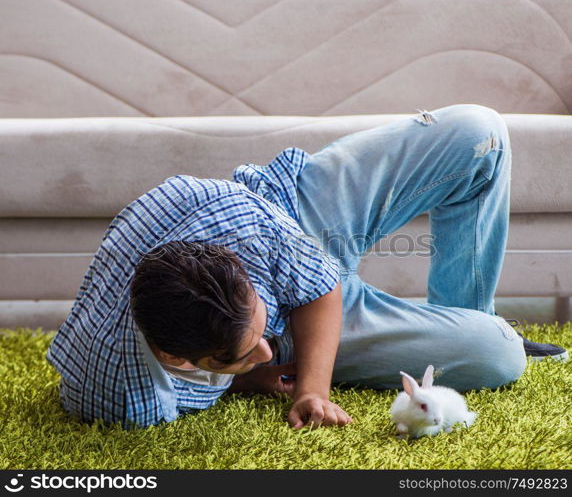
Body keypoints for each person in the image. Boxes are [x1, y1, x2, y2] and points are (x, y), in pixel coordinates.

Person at [46, 104, 568, 430]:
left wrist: (312, 388)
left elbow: (315, 287)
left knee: (481, 132)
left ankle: (461, 315)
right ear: (179, 360)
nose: (265, 351)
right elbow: (251, 352)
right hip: (258, 311)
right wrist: (253, 377)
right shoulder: (126, 399)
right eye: (243, 353)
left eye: (257, 332)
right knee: (499, 353)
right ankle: (480, 335)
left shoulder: (229, 217)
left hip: (293, 213)